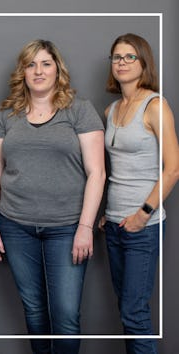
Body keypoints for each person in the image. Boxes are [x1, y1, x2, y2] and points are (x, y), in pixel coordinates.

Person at [0, 39, 105, 354]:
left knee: (65, 315)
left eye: (45, 63)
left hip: (67, 228)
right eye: (31, 64)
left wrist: (85, 227)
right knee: (34, 310)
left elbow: (97, 173)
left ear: (57, 69)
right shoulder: (6, 115)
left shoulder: (79, 110)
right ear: (22, 72)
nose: (38, 71)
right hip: (15, 226)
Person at [101, 33, 179, 354]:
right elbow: (116, 170)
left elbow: (173, 169)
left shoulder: (155, 106)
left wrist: (142, 214)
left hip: (143, 226)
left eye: (129, 57)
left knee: (134, 313)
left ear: (144, 62)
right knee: (126, 310)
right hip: (115, 225)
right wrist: (108, 212)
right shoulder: (111, 110)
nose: (121, 62)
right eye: (116, 57)